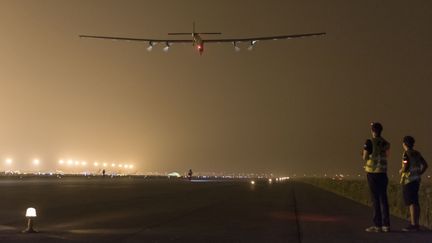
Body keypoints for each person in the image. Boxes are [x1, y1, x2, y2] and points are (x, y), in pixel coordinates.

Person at [363, 122, 391, 232]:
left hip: (372, 173)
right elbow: (387, 156)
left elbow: (365, 157)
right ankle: (386, 225)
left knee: (375, 199)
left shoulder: (369, 142)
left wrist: (366, 155)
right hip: (383, 173)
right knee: (383, 198)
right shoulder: (386, 143)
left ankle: (377, 225)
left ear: (372, 131)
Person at [399, 135, 428, 231]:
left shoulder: (406, 154)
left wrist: (401, 170)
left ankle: (413, 224)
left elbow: (406, 166)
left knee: (411, 202)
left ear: (404, 144)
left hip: (408, 180)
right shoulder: (417, 153)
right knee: (415, 202)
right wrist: (419, 173)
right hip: (416, 180)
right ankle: (416, 224)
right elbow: (425, 165)